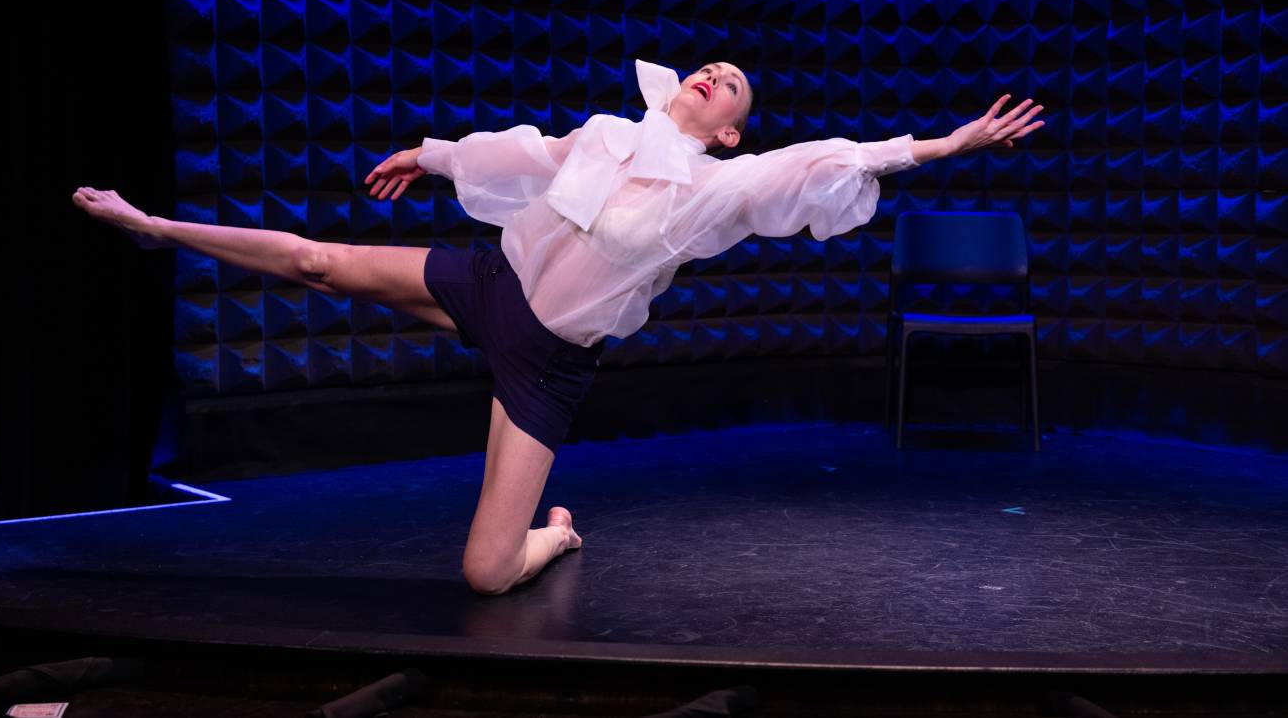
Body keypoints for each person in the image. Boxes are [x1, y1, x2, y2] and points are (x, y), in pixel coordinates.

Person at [72, 59, 1045, 596]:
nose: (714, 74)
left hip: (546, 359)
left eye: (732, 86)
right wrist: (432, 151)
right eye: (709, 66)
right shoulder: (605, 136)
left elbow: (827, 156)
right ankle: (153, 227)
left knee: (486, 573)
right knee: (320, 259)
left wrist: (945, 143)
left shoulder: (721, 189)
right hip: (487, 282)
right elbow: (525, 154)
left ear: (728, 131)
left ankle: (560, 534)